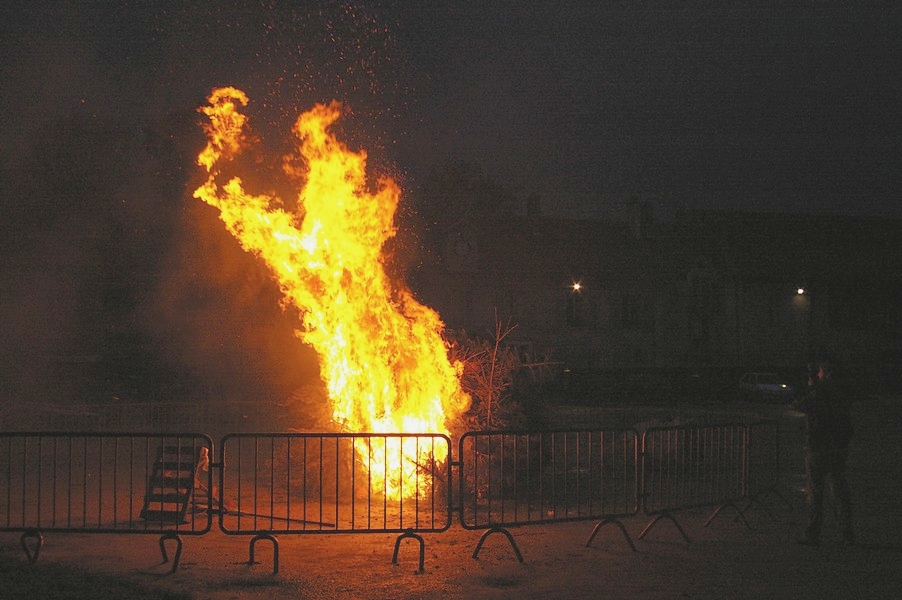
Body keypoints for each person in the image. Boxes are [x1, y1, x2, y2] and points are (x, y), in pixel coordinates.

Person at [793, 359, 855, 546]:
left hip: (819, 447)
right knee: (839, 492)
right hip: (838, 447)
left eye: (819, 372)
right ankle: (846, 533)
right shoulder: (842, 394)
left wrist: (812, 387)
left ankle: (813, 533)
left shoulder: (819, 393)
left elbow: (799, 405)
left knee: (815, 492)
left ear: (825, 374)